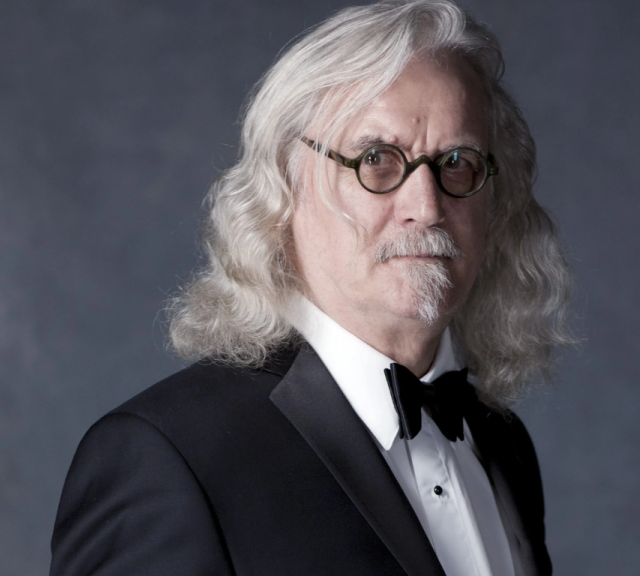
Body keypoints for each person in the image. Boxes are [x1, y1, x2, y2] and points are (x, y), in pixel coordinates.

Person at [50, 1, 573, 574]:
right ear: (282, 192)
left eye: (457, 162)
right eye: (376, 159)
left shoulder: (502, 442)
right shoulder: (168, 457)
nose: (427, 206)